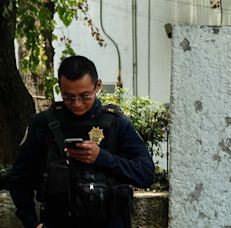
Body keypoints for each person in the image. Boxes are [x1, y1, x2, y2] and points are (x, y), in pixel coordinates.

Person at [7, 55, 155, 228]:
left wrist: (101, 157)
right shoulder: (43, 124)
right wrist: (32, 223)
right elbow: (19, 180)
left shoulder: (116, 123)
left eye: (85, 96)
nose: (77, 104)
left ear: (98, 86)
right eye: (68, 97)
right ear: (59, 88)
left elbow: (145, 174)